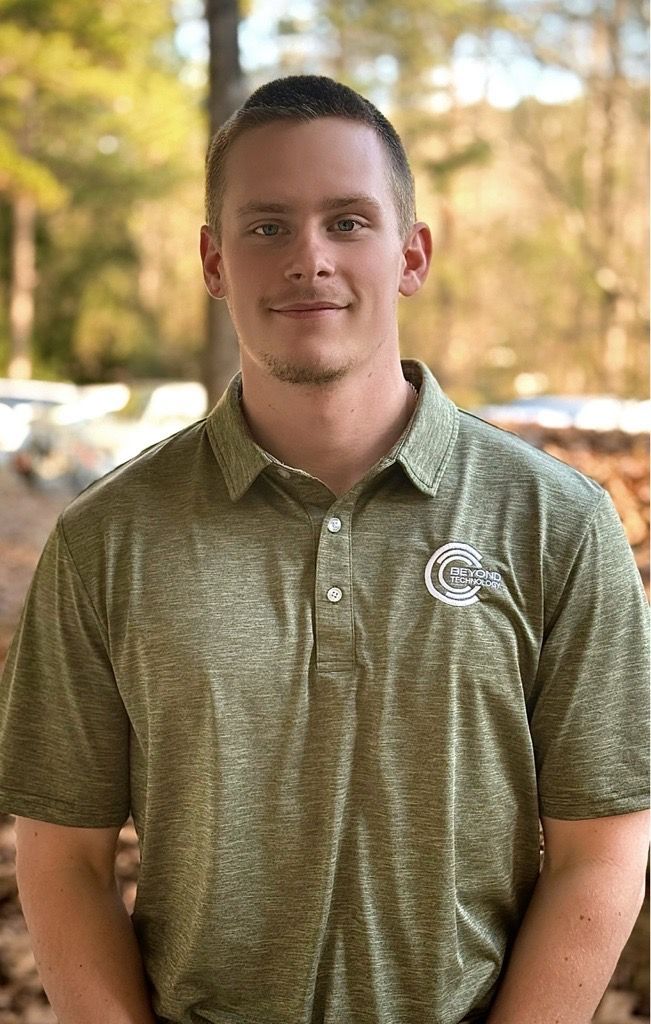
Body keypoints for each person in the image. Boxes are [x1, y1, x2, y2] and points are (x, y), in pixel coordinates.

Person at [0, 74, 648, 1024]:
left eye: (348, 221)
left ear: (411, 254)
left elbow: (603, 846)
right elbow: (65, 858)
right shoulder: (107, 538)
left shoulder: (556, 522)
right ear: (215, 262)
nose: (309, 258)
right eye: (266, 227)